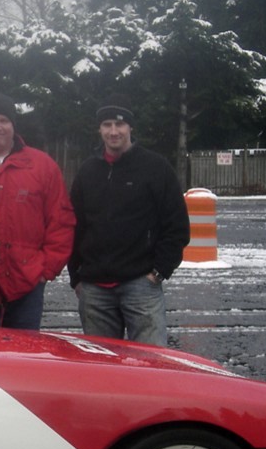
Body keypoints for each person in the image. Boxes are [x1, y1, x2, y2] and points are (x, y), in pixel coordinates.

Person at [68, 94, 190, 345]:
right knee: (102, 363)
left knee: (151, 361)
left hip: (141, 284)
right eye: (107, 125)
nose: (113, 131)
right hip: (94, 290)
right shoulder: (88, 171)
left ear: (130, 127)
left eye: (120, 124)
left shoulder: (155, 167)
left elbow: (176, 224)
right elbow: (74, 226)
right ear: (99, 129)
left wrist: (160, 270)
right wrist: (76, 276)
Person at [0, 94, 75, 329]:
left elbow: (61, 220)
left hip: (26, 284)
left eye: (4, 120)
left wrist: (46, 269)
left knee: (24, 350)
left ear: (13, 125)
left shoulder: (42, 166)